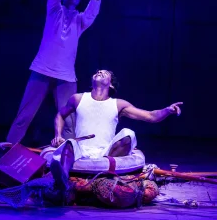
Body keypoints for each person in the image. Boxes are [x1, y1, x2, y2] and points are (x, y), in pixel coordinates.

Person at [7, 0, 112, 144]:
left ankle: (68, 160)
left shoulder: (80, 21)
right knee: (24, 116)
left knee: (69, 123)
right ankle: (6, 157)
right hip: (41, 70)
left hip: (65, 77)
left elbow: (93, 10)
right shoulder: (54, 10)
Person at [50, 69, 183, 192]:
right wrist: (58, 135)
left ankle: (108, 173)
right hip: (81, 150)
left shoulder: (118, 104)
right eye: (98, 71)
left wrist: (167, 110)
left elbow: (150, 116)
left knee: (129, 133)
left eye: (105, 72)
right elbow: (60, 115)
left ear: (111, 85)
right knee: (69, 143)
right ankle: (62, 181)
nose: (100, 72)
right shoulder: (77, 98)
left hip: (107, 152)